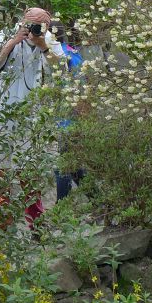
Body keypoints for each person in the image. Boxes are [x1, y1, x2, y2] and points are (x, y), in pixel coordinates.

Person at [0, 7, 65, 231]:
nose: (35, 29)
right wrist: (12, 42)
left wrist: (43, 45)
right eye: (32, 24)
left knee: (29, 174)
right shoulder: (6, 35)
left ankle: (37, 228)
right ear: (22, 21)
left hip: (29, 116)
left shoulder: (47, 41)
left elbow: (61, 71)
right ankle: (2, 228)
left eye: (41, 25)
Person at [48, 21, 86, 201]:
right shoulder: (72, 51)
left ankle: (62, 205)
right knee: (72, 164)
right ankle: (101, 201)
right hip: (74, 113)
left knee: (62, 163)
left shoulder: (58, 55)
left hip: (66, 115)